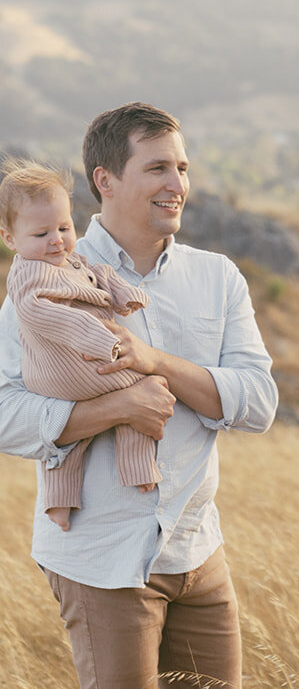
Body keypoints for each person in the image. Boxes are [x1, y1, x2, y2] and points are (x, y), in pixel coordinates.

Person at [0, 102, 278, 689]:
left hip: (194, 543)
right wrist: (114, 408)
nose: (176, 183)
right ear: (106, 180)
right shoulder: (49, 268)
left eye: (182, 167)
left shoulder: (216, 277)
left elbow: (257, 401)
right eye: (157, 167)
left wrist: (155, 365)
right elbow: (5, 408)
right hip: (99, 549)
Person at [0, 158, 162, 533]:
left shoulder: (67, 261)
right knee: (142, 386)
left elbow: (98, 275)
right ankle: (138, 468)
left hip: (63, 379)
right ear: (9, 239)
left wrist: (122, 294)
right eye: (41, 234)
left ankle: (59, 502)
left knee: (69, 437)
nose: (56, 239)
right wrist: (100, 338)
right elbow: (44, 314)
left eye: (64, 227)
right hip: (70, 367)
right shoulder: (28, 274)